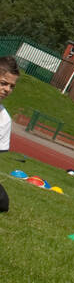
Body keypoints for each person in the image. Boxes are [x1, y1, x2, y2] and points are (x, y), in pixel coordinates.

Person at [0, 56, 20, 214]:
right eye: (3, 83)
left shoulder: (4, 119)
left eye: (11, 86)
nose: (7, 89)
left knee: (3, 202)